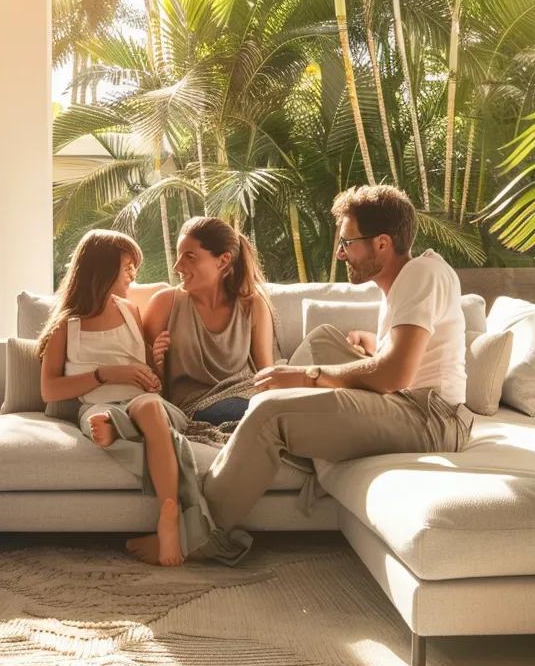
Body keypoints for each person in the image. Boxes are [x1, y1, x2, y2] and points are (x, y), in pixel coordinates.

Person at [198, 184, 473, 546]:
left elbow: (395, 375)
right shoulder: (405, 280)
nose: (341, 254)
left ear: (382, 244)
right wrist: (374, 344)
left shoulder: (422, 274)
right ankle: (284, 414)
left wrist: (304, 376)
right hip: (413, 403)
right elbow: (420, 351)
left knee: (269, 411)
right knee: (323, 337)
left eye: (347, 243)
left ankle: (199, 536)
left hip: (431, 418)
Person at [39, 229, 245, 567]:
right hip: (99, 402)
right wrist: (105, 374)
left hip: (141, 401)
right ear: (101, 270)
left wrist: (156, 363)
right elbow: (50, 390)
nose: (134, 275)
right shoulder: (66, 325)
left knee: (149, 407)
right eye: (127, 268)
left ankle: (167, 518)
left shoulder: (131, 311)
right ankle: (113, 428)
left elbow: (150, 381)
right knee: (103, 417)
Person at [142, 217, 274, 425]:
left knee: (285, 411)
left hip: (249, 395)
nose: (178, 266)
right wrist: (156, 365)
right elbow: (148, 383)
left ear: (222, 261)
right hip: (198, 406)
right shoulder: (165, 304)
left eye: (190, 257)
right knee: (265, 415)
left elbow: (266, 372)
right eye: (178, 256)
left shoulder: (252, 305)